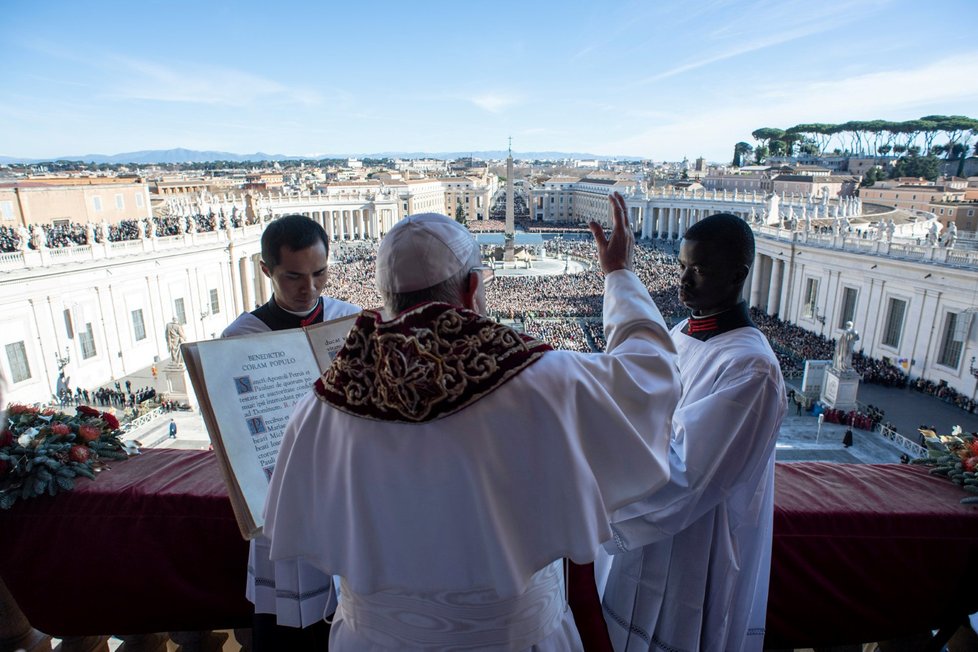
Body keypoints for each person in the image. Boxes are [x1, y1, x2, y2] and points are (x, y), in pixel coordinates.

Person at [263, 196, 681, 650]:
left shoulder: (324, 402)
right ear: (473, 288)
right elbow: (652, 377)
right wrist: (619, 274)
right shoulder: (549, 380)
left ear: (385, 299)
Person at [599, 213, 787, 651]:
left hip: (691, 548)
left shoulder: (751, 368)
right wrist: (617, 277)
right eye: (682, 265)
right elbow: (635, 393)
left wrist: (591, 486)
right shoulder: (682, 331)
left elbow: (687, 475)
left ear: (738, 275)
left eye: (699, 269)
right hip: (645, 530)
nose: (682, 280)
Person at [222, 214, 361, 651]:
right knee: (288, 628)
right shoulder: (240, 339)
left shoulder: (351, 321)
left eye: (320, 273)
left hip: (346, 490)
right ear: (267, 271)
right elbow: (233, 433)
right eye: (294, 277)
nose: (311, 288)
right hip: (281, 495)